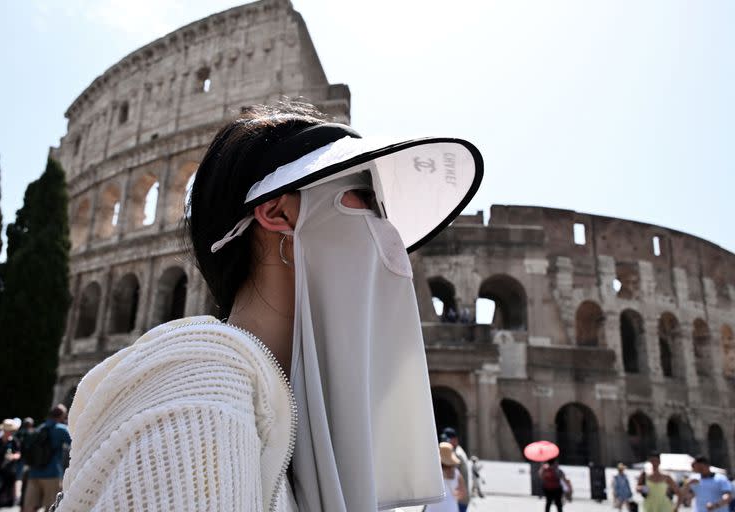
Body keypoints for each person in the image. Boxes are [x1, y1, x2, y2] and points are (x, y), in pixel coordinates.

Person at [53, 102, 484, 511]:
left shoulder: (283, 407)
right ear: (277, 213)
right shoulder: (201, 395)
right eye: (364, 198)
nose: (386, 230)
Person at [22, 405, 71, 512]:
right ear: (62, 415)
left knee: (30, 506)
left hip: (34, 472)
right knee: (50, 506)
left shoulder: (39, 428)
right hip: (52, 473)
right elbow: (74, 444)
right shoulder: (61, 429)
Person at [426, 442, 467, 512]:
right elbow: (463, 493)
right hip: (451, 507)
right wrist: (453, 497)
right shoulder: (456, 473)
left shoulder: (433, 472)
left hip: (434, 508)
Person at [442, 427, 472, 512]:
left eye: (447, 439)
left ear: (455, 439)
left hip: (459, 499)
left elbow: (450, 475)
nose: (446, 442)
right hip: (460, 497)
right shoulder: (458, 451)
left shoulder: (456, 454)